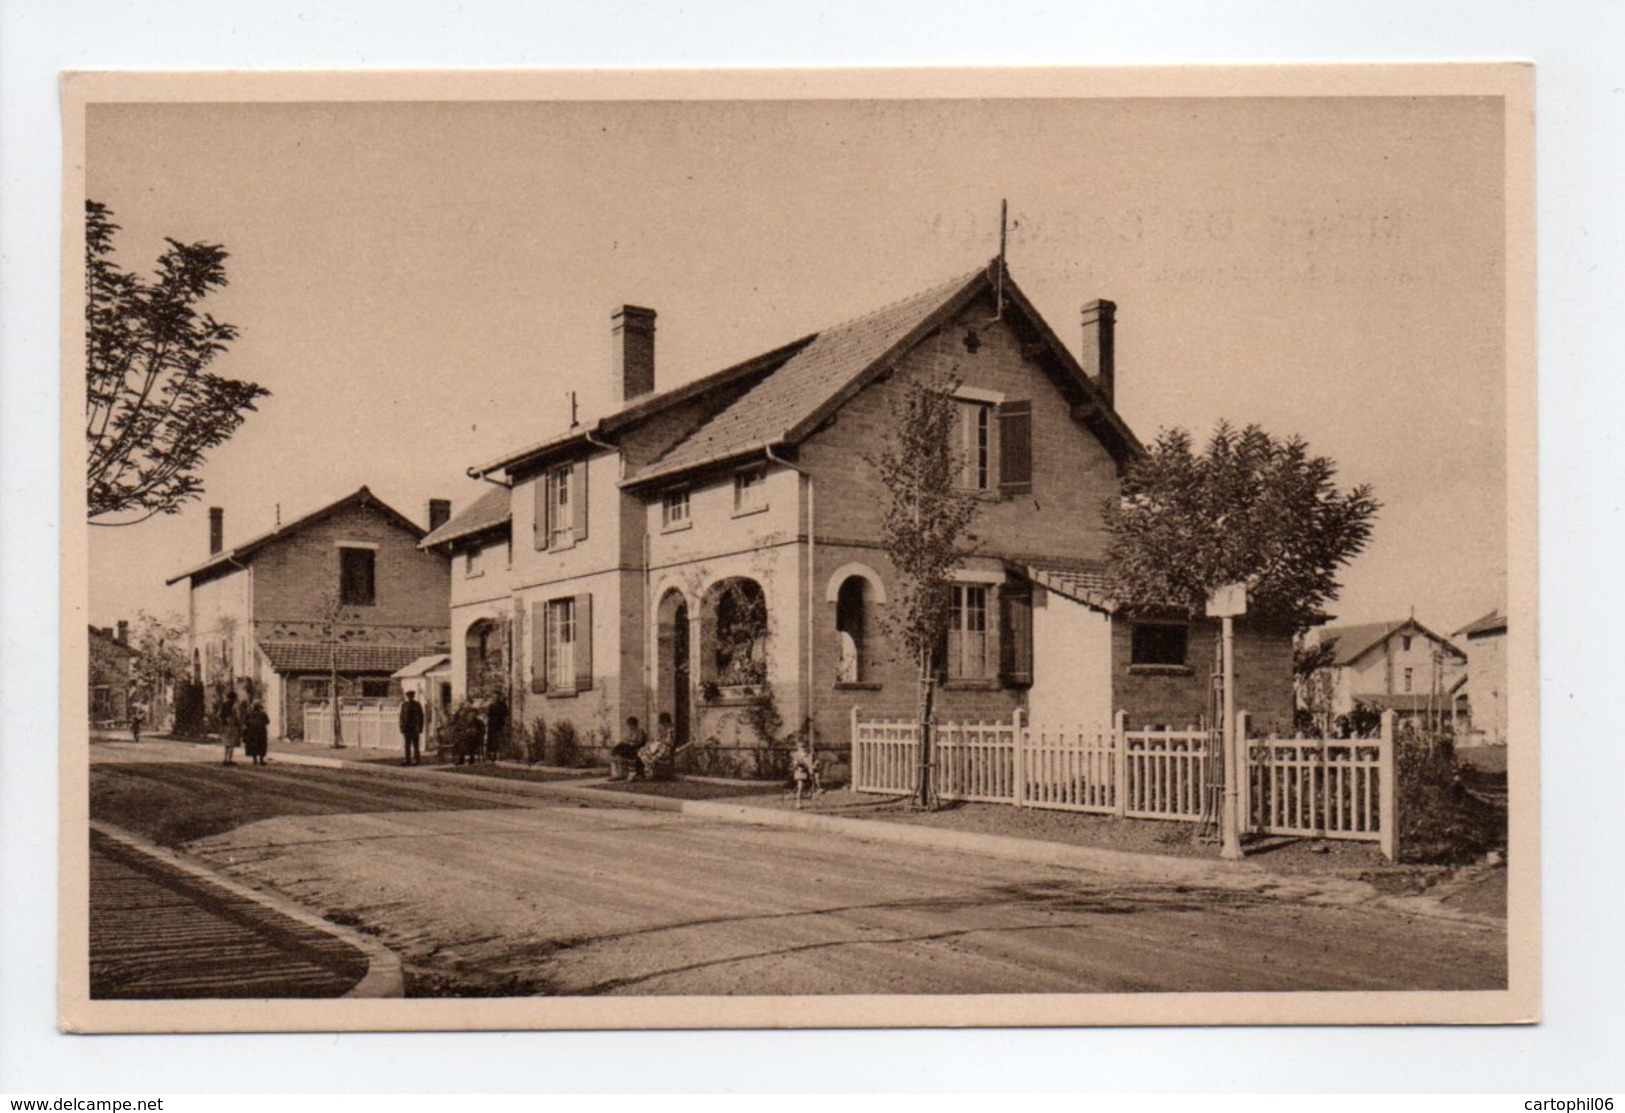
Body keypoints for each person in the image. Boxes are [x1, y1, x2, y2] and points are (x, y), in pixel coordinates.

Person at [638, 711, 687, 781]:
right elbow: (659, 739)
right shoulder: (664, 729)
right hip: (662, 747)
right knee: (643, 751)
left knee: (653, 755)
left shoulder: (671, 730)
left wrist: (660, 742)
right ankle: (649, 771)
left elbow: (669, 742)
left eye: (662, 723)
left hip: (667, 749)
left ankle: (651, 771)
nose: (661, 725)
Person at [611, 716, 647, 781]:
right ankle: (617, 775)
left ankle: (620, 774)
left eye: (632, 725)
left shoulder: (640, 731)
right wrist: (628, 741)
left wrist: (630, 741)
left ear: (635, 724)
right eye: (629, 725)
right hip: (628, 748)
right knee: (617, 752)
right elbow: (626, 740)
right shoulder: (630, 732)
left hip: (635, 749)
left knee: (621, 747)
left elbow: (639, 742)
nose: (630, 727)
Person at [398, 690, 425, 766]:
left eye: (411, 696)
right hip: (407, 728)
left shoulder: (417, 705)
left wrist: (420, 727)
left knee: (415, 745)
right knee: (407, 745)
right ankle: (407, 759)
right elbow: (401, 717)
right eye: (409, 696)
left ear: (413, 696)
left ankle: (416, 759)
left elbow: (421, 716)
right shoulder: (404, 705)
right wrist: (401, 726)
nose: (410, 697)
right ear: (407, 696)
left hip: (414, 728)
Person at [243, 700, 271, 766]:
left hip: (252, 731)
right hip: (261, 731)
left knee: (253, 745)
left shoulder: (249, 714)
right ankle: (261, 760)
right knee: (261, 745)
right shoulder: (263, 714)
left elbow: (245, 722)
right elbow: (267, 722)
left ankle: (254, 760)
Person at [484, 692, 509, 764]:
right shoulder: (491, 705)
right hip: (492, 725)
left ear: (499, 697)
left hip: (499, 725)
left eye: (496, 696)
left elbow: (506, 715)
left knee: (499, 740)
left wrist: (505, 724)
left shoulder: (503, 705)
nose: (494, 698)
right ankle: (492, 755)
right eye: (493, 696)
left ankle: (499, 755)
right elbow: (488, 715)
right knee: (492, 741)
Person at [219, 690, 241, 766]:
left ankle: (225, 759)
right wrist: (239, 723)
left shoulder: (223, 704)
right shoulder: (234, 705)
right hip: (232, 724)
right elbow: (238, 716)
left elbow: (219, 714)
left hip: (225, 724)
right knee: (232, 743)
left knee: (226, 743)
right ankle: (229, 759)